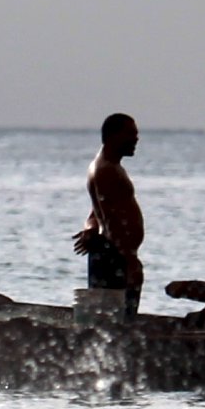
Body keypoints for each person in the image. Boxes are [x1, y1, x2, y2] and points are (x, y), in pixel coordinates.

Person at [73, 112, 145, 310]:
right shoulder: (105, 170)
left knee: (116, 315)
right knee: (115, 316)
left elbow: (97, 211)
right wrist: (130, 260)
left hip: (115, 252)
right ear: (113, 136)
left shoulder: (111, 166)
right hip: (113, 254)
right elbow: (110, 219)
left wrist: (90, 227)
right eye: (130, 134)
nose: (136, 139)